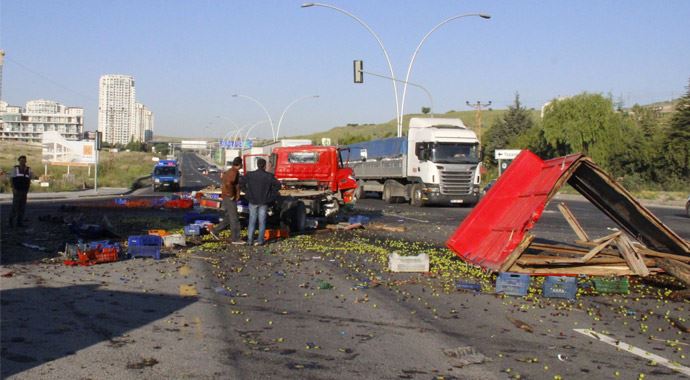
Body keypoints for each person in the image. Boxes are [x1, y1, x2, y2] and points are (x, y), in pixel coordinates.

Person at [239, 158, 281, 246]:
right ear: (265, 166)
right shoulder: (269, 176)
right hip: (264, 201)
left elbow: (241, 182)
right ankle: (260, 240)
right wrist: (271, 194)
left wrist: (246, 192)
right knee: (262, 222)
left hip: (252, 200)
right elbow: (278, 185)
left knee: (252, 221)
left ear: (257, 165)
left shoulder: (250, 175)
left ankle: (250, 241)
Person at [209, 157, 245, 244]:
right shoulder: (234, 172)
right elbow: (229, 183)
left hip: (226, 196)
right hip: (229, 197)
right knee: (234, 218)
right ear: (239, 164)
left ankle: (215, 230)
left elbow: (226, 181)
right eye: (242, 164)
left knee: (229, 217)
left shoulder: (229, 171)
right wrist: (231, 195)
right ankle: (235, 238)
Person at [9, 155, 33, 228]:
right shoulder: (15, 168)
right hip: (17, 190)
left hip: (24, 191)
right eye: (21, 160)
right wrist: (13, 189)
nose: (22, 162)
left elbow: (30, 179)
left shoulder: (28, 169)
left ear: (26, 161)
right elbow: (11, 179)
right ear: (19, 161)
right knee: (15, 207)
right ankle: (11, 222)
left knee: (22, 207)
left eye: (24, 160)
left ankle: (19, 223)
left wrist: (27, 189)